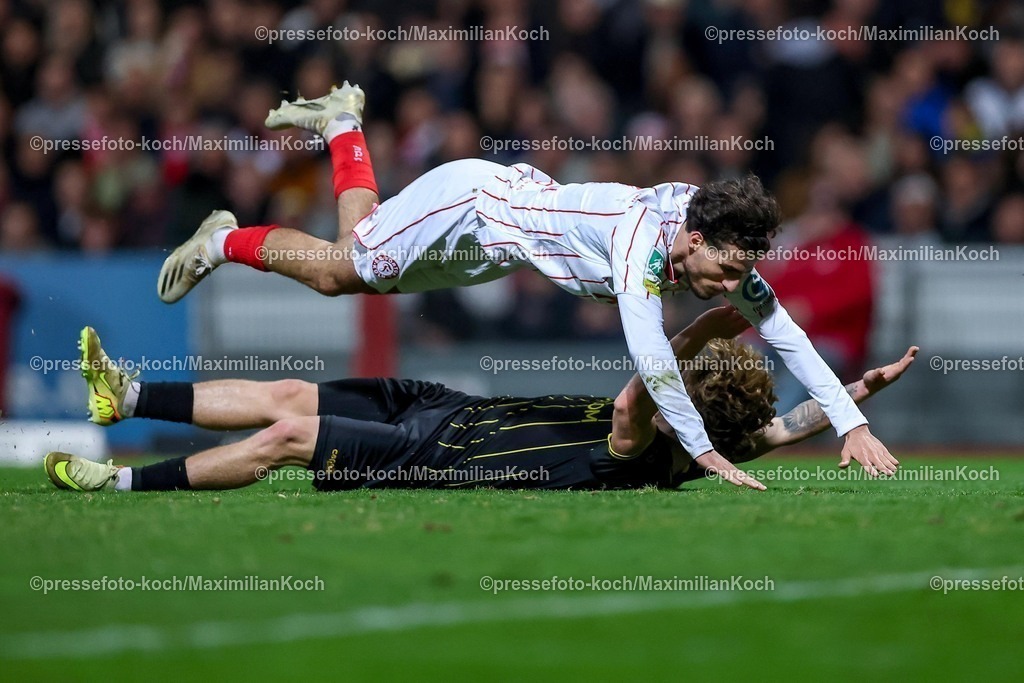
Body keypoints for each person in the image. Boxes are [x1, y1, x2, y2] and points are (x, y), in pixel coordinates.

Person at [156, 83, 898, 484]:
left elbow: (785, 334)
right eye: (729, 271)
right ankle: (221, 238)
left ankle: (345, 127)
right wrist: (704, 451)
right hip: (476, 207)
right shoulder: (645, 248)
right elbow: (652, 354)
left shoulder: (709, 240)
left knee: (356, 259)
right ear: (696, 242)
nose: (733, 285)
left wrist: (852, 422)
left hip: (500, 245)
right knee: (333, 273)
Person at [44, 308, 918, 493]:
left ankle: (116, 485)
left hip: (446, 456)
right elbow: (783, 425)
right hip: (452, 404)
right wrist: (856, 394)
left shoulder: (653, 442)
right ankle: (125, 395)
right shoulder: (723, 443)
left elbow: (630, 405)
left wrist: (685, 337)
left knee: (286, 434)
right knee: (287, 390)